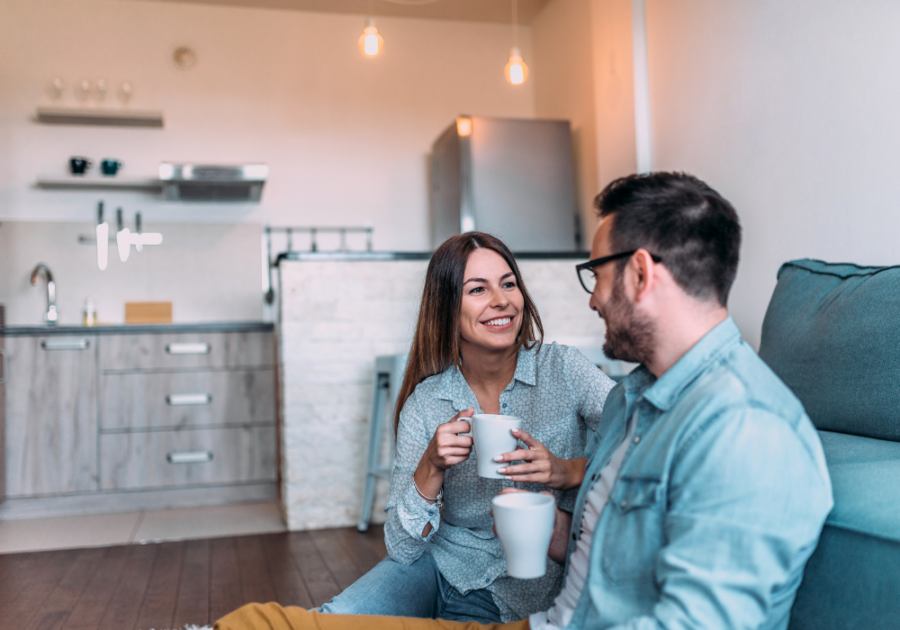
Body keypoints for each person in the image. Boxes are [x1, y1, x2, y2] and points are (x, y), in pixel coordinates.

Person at [215, 172, 833, 630]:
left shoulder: (744, 429)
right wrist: (454, 482)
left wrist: (561, 475)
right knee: (261, 621)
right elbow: (596, 541)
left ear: (640, 274)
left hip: (536, 615)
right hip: (515, 603)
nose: (591, 301)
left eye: (597, 276)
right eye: (478, 290)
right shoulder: (637, 399)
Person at [316, 231, 616, 623]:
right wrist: (431, 466)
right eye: (478, 289)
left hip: (527, 583)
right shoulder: (427, 402)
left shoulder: (564, 369)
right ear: (446, 308)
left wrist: (568, 470)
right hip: (439, 566)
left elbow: (643, 438)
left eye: (508, 284)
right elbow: (402, 549)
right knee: (334, 617)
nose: (501, 301)